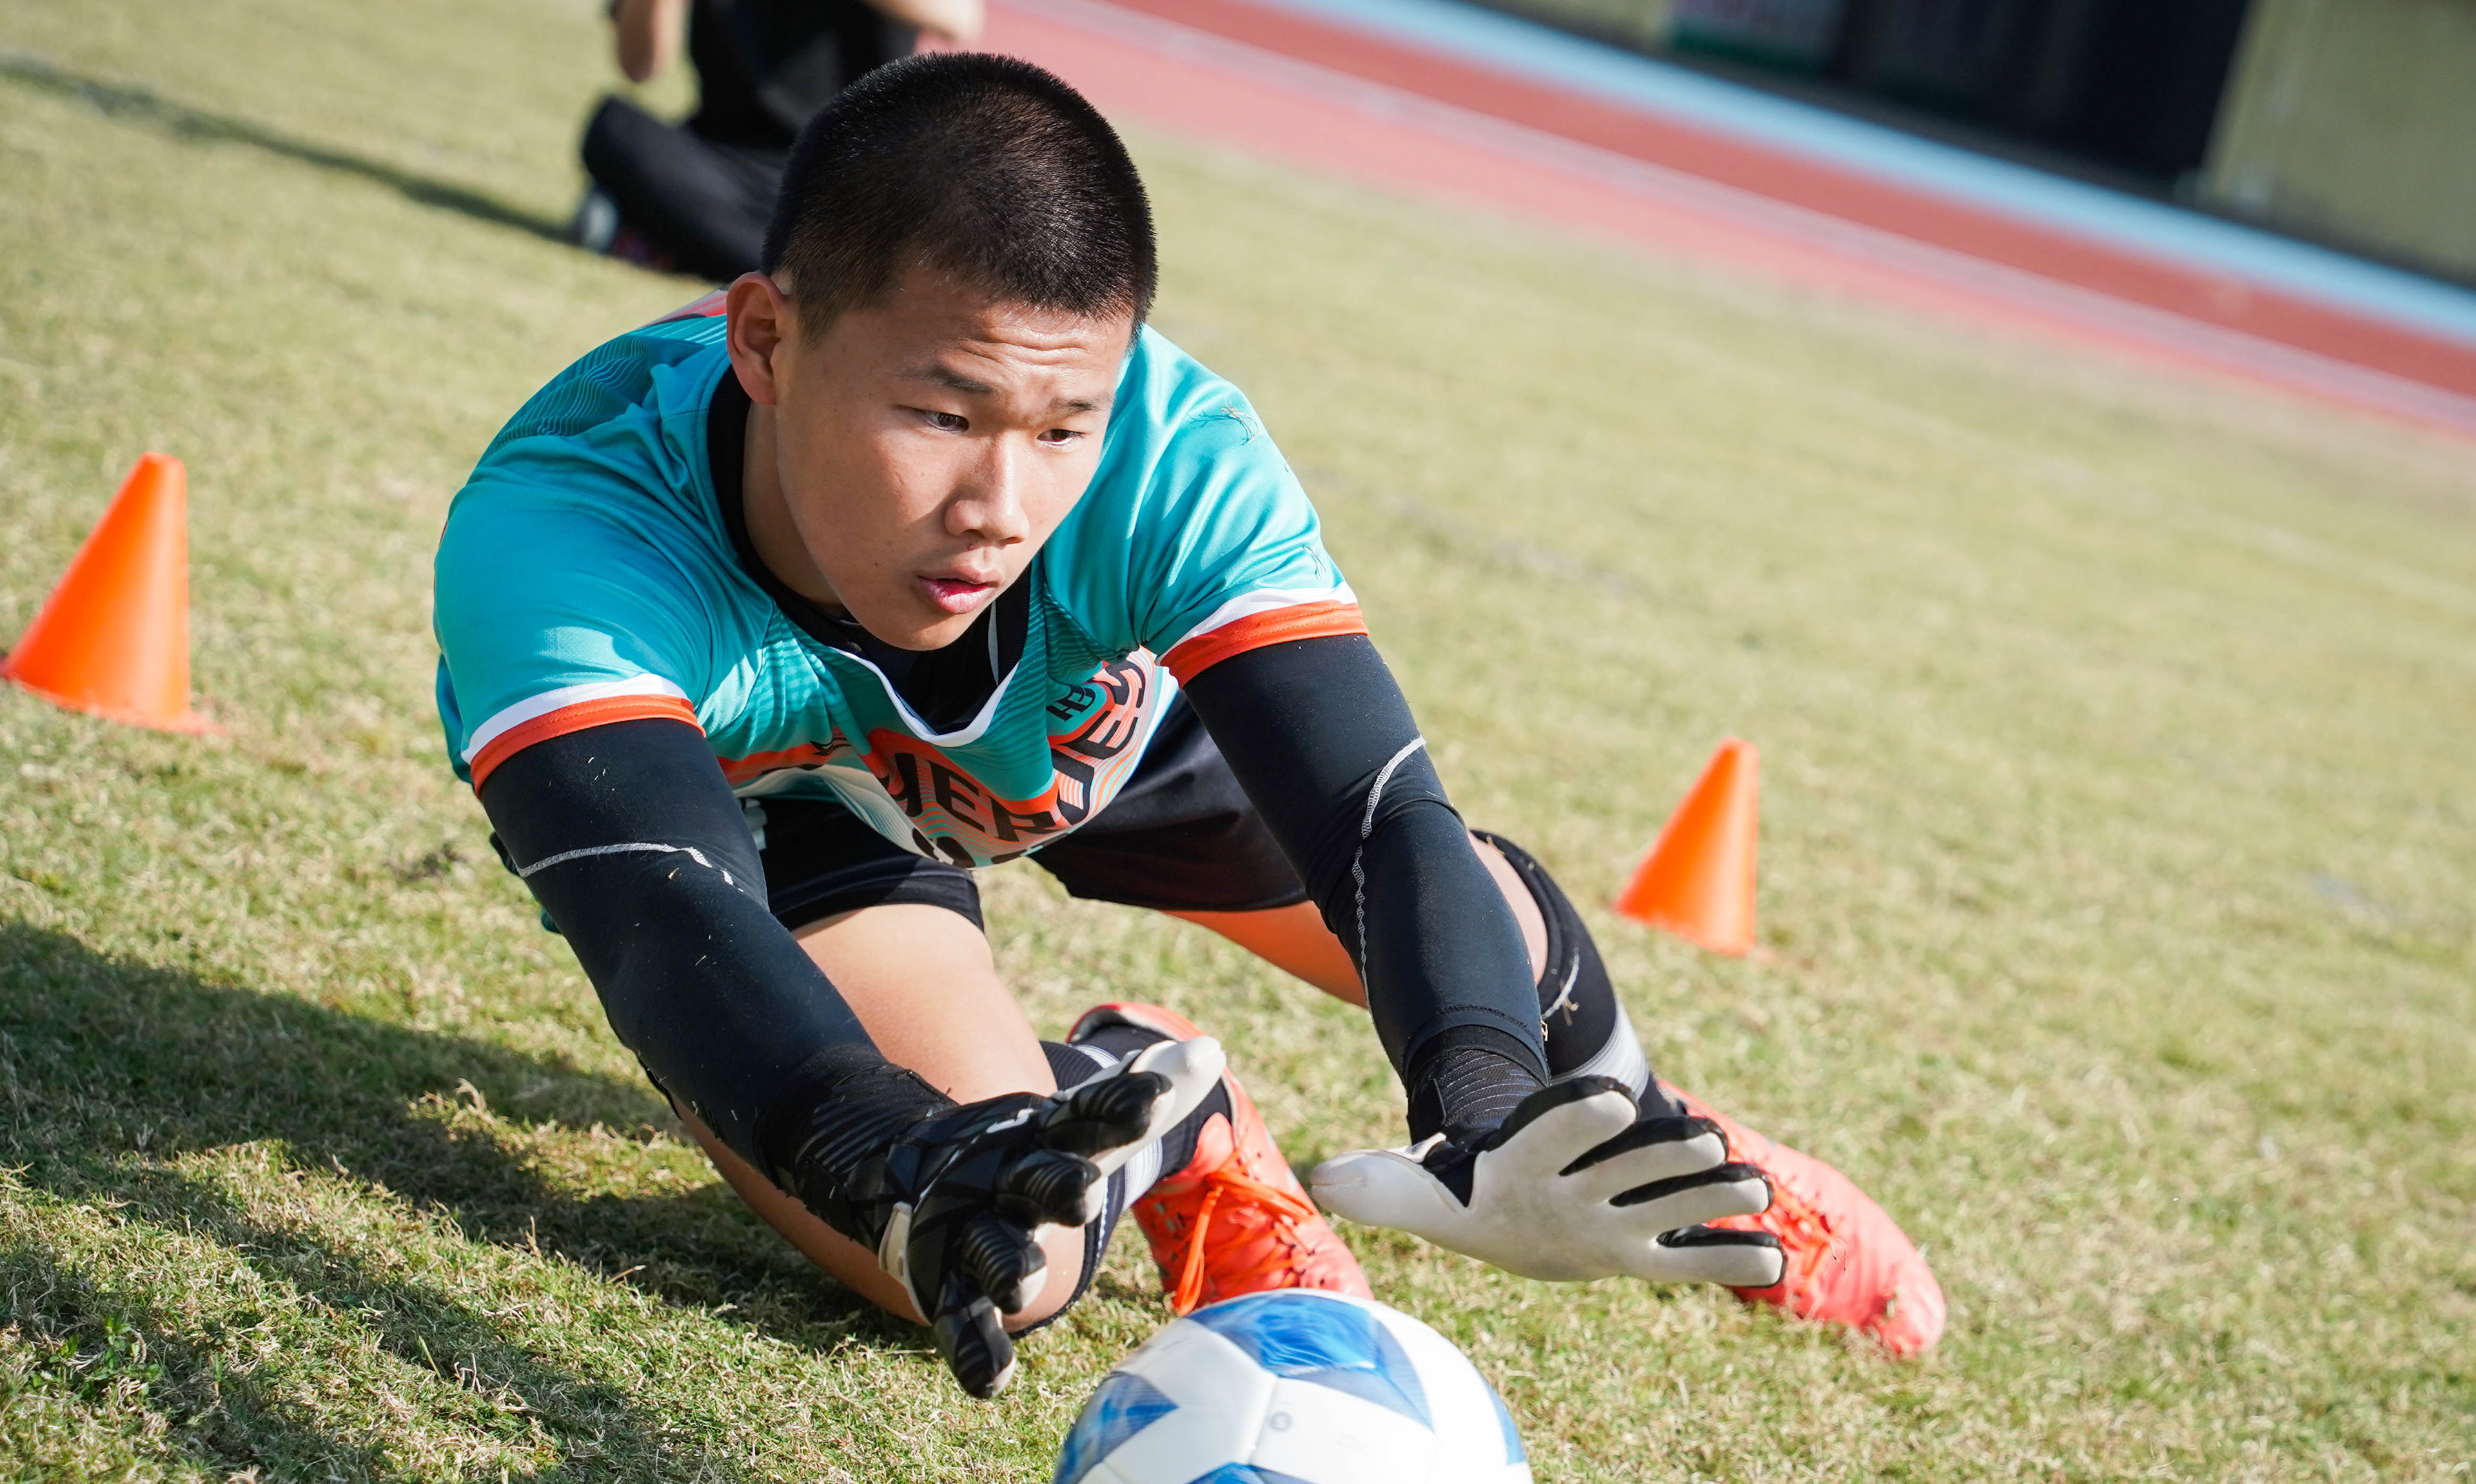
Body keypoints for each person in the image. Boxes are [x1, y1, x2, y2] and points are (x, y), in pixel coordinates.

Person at [437, 53, 1945, 1399]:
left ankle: (1667, 1129)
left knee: (1492, 981)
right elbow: (660, 912)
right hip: (789, 828)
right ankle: (1165, 1109)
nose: (998, 505)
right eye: (942, 414)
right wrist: (881, 1148)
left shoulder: (1169, 443)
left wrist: (1490, 1106)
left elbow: (1376, 811)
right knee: (981, 1255)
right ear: (764, 340)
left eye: (1060, 429)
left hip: (1077, 733)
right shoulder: (570, 529)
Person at [575, 0, 985, 282]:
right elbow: (638, 66)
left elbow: (959, 16)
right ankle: (805, 272)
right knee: (615, 130)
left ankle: (667, 236)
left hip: (835, 180)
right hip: (717, 160)